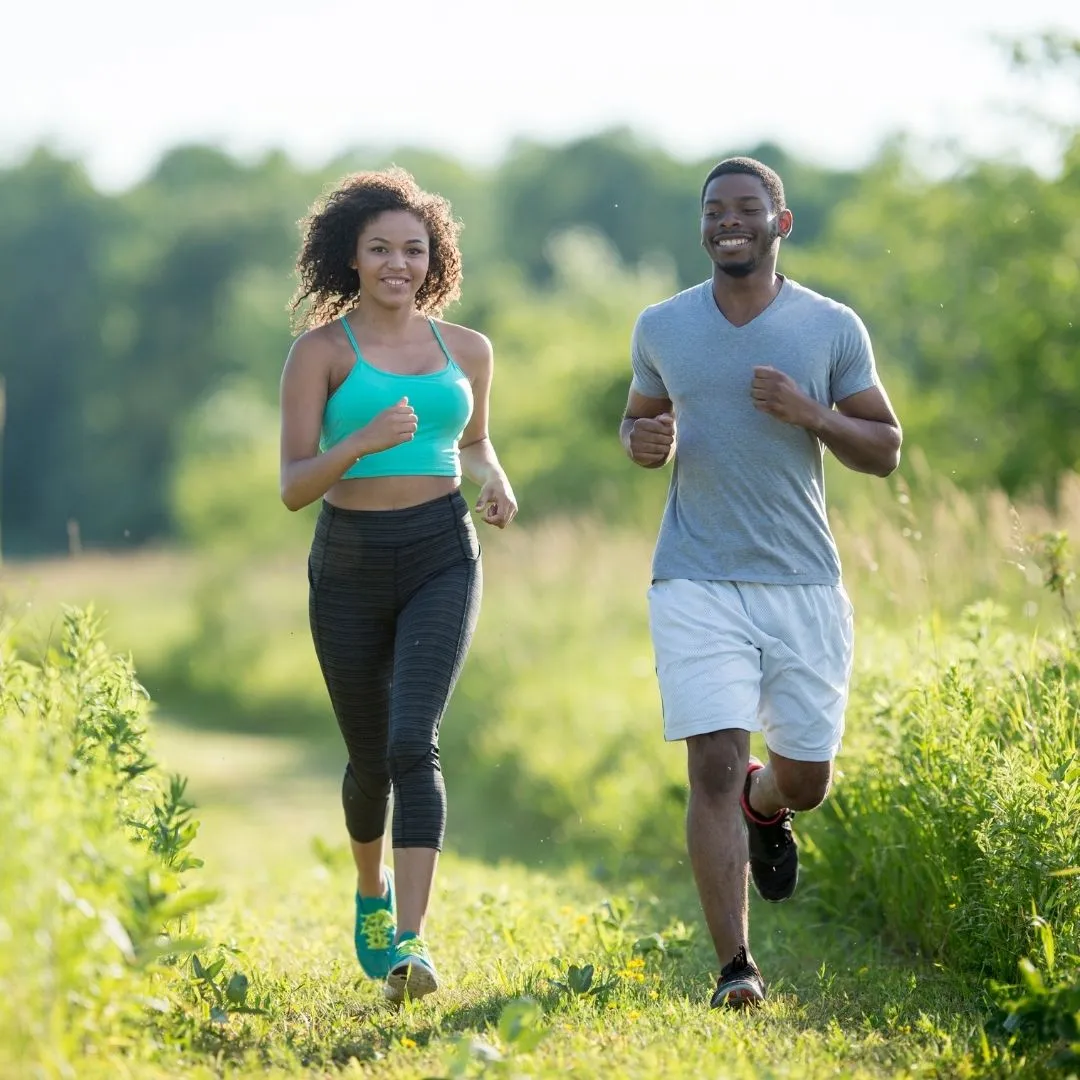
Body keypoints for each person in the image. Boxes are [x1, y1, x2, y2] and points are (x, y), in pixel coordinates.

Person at [619, 157, 902, 1009]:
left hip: (803, 582)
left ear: (782, 223)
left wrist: (813, 414)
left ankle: (766, 803)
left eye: (747, 209)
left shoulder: (829, 326)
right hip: (694, 575)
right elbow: (639, 420)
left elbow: (885, 449)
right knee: (710, 760)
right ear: (703, 225)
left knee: (806, 778)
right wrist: (641, 440)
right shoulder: (662, 326)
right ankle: (736, 968)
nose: (727, 221)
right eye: (714, 210)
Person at [279, 166, 517, 1003]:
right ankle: (369, 890)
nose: (397, 264)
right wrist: (363, 442)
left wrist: (496, 477)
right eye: (380, 248)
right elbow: (294, 484)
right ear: (351, 256)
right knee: (369, 759)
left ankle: (412, 945)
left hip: (439, 551)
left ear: (434, 258)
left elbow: (477, 440)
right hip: (346, 559)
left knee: (415, 741)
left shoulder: (469, 350)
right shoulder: (319, 352)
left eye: (413, 249)